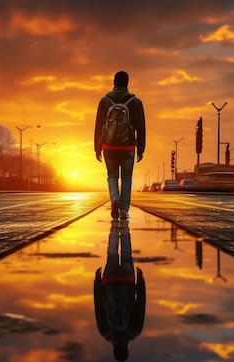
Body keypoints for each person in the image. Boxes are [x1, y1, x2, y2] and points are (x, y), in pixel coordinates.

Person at [95, 71, 146, 219]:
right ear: (127, 83)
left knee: (112, 176)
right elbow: (141, 127)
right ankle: (124, 210)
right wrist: (141, 148)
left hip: (108, 146)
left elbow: (98, 125)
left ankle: (114, 199)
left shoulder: (104, 101)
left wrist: (97, 148)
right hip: (128, 146)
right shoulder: (135, 102)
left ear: (114, 82)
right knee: (126, 178)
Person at [94, 220, 146, 361]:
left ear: (126, 349)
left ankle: (123, 226)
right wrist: (97, 282)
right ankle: (114, 227)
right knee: (111, 255)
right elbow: (98, 305)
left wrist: (141, 282)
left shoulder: (134, 331)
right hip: (109, 282)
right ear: (114, 350)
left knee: (127, 254)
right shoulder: (105, 331)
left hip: (127, 282)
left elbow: (140, 303)